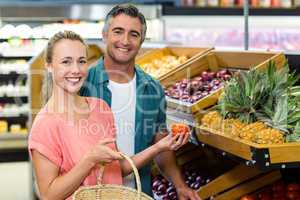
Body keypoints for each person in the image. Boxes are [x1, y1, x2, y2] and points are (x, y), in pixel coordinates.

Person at [29, 30, 187, 200]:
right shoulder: (45, 125)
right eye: (66, 62)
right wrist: (89, 160)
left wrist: (160, 146)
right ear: (49, 66)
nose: (75, 70)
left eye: (81, 61)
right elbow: (48, 194)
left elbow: (117, 169)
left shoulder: (100, 108)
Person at [80, 4, 201, 200]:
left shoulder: (153, 89)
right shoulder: (84, 83)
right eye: (118, 32)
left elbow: (160, 145)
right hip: (93, 195)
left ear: (141, 41)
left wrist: (179, 185)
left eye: (134, 34)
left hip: (139, 194)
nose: (125, 41)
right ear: (104, 34)